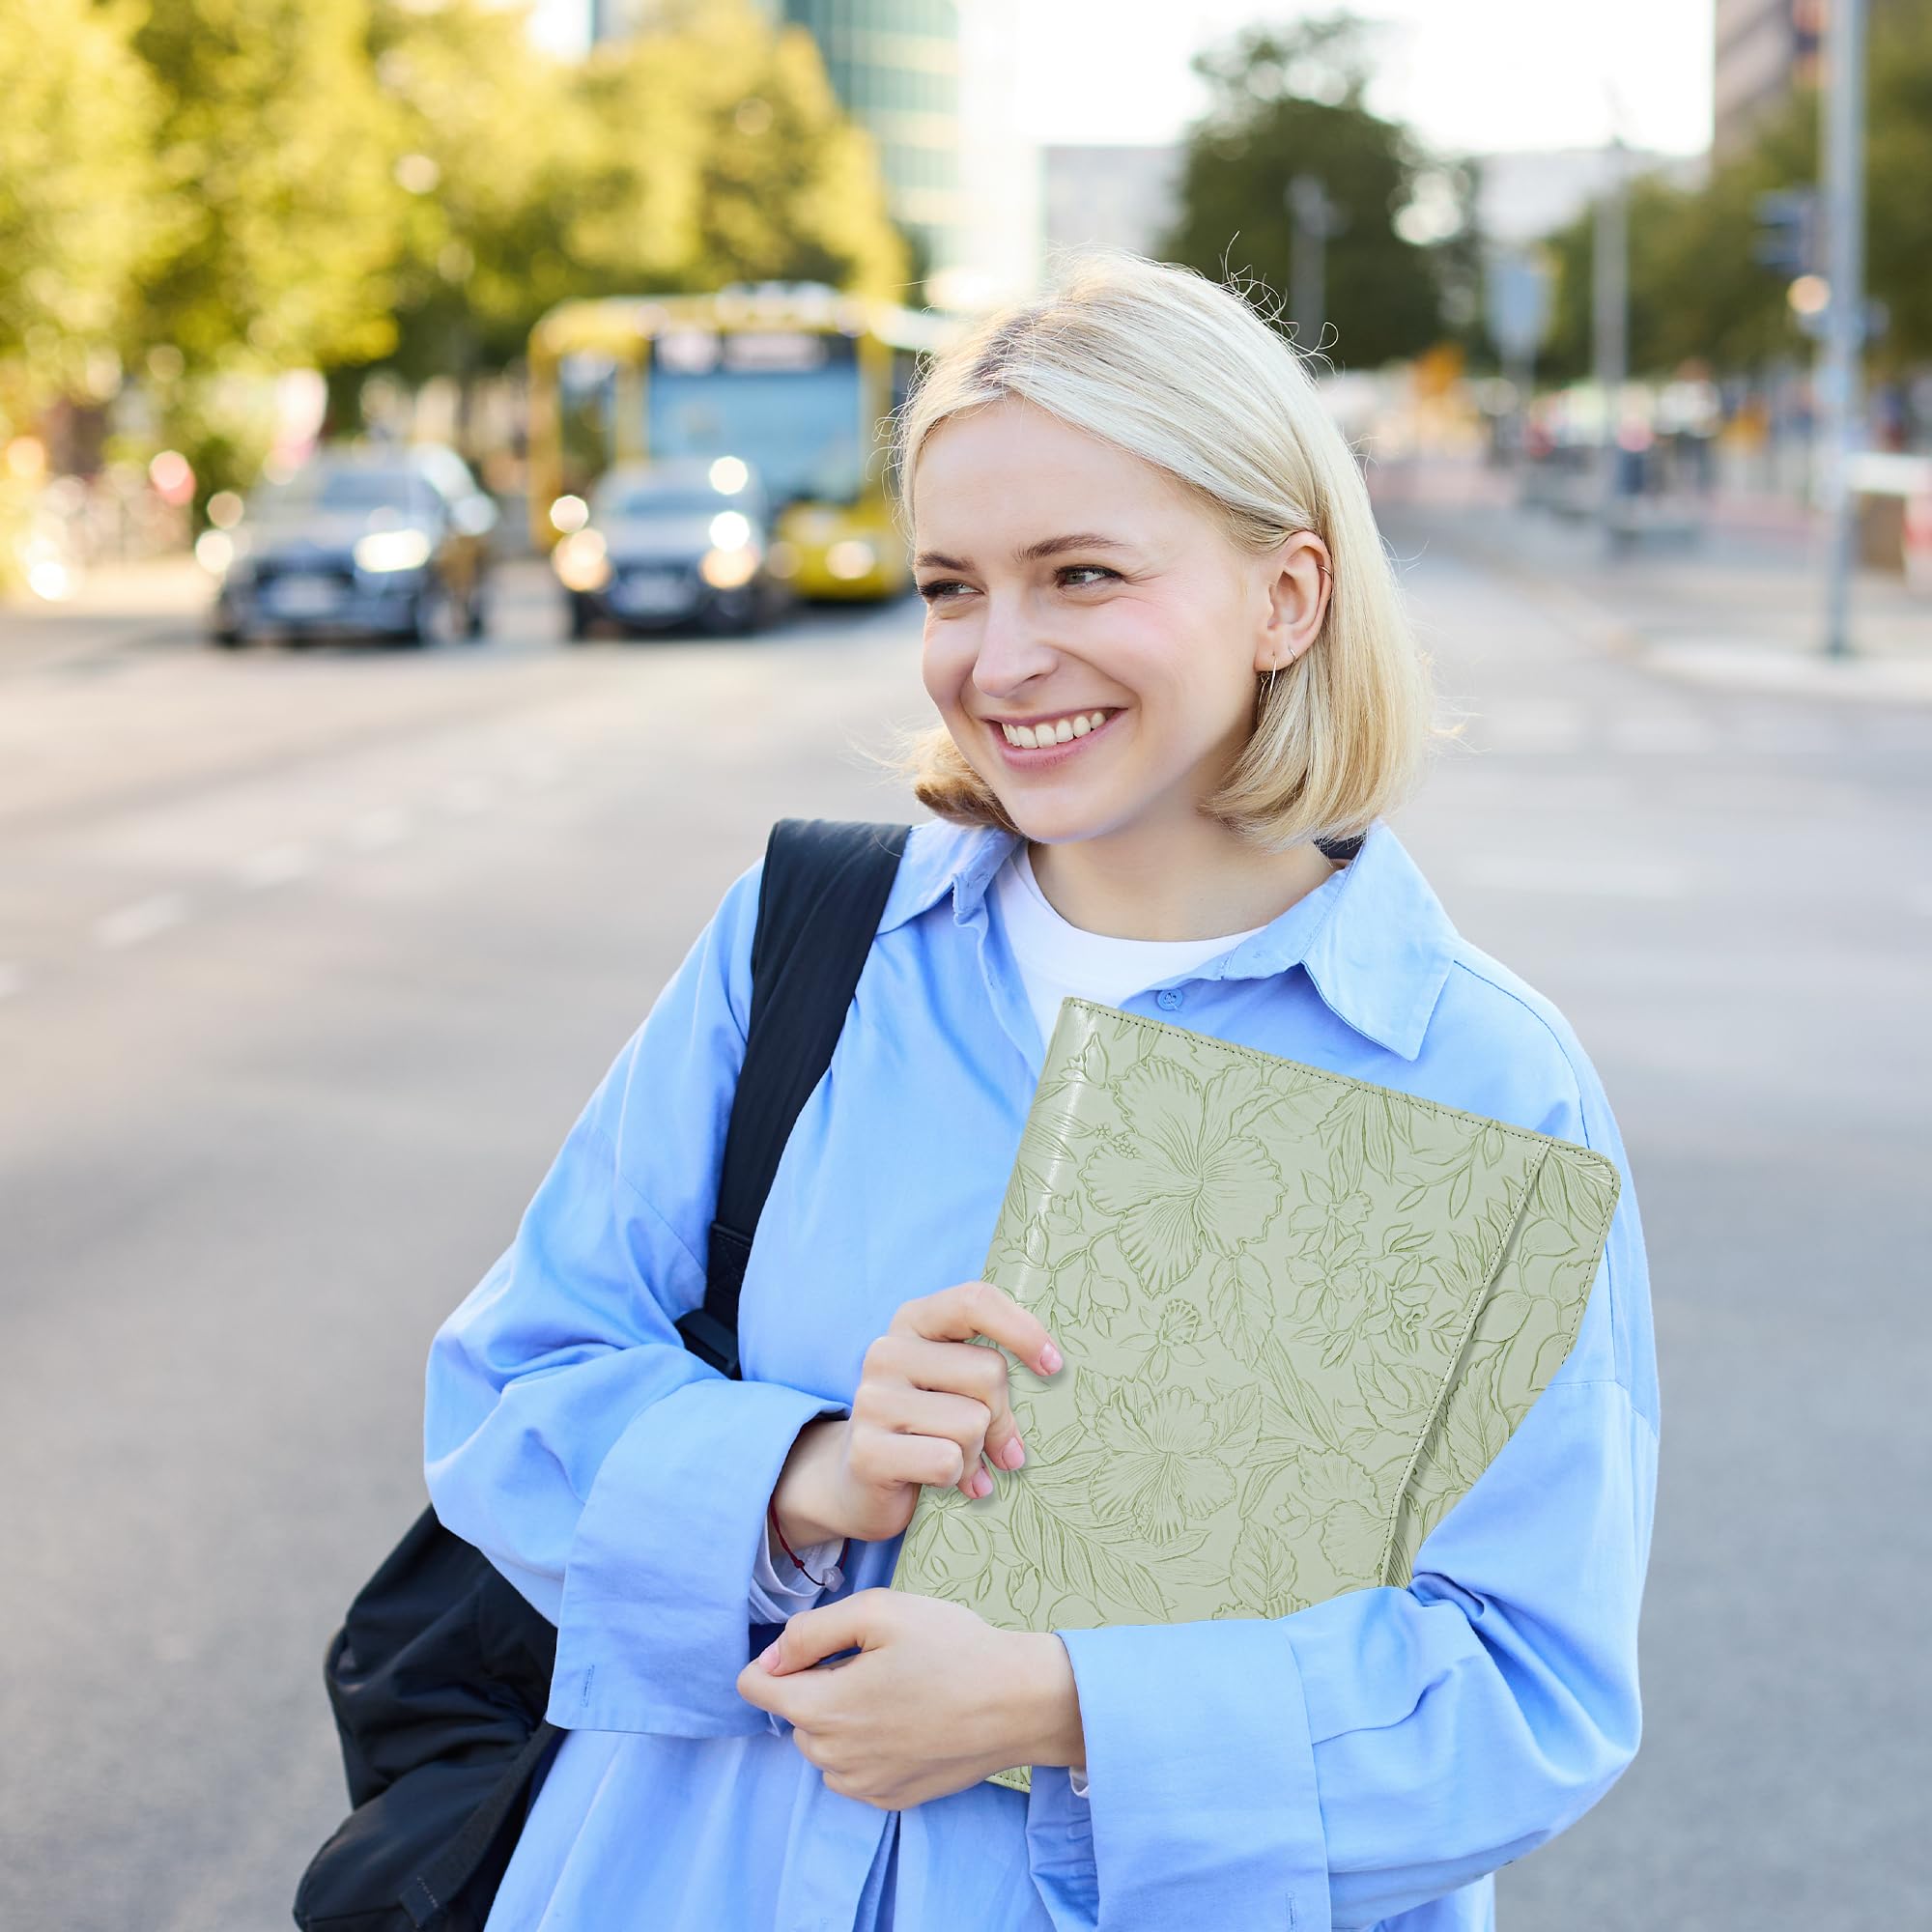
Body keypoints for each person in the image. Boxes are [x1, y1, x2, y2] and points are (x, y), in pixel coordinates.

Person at [423, 248, 1658, 1931]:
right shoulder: (809, 944)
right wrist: (808, 1472)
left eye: (1081, 575)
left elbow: (1527, 1691)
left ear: (1287, 598)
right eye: (949, 587)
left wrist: (1053, 1703)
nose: (1000, 660)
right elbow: (507, 1394)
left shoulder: (1473, 1075)